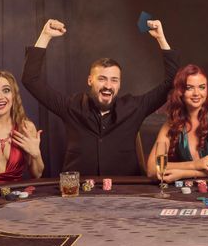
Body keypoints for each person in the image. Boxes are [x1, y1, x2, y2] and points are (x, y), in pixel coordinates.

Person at [22, 19, 180, 175]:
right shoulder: (71, 106)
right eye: (102, 79)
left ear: (119, 84)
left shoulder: (134, 107)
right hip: (78, 193)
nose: (108, 86)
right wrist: (45, 35)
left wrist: (161, 38)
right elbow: (31, 80)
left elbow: (172, 82)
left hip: (125, 193)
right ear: (90, 80)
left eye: (114, 80)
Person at [146, 64, 208, 182]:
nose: (197, 93)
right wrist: (195, 165)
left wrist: (182, 174)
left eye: (202, 87)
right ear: (180, 92)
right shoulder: (172, 123)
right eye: (189, 88)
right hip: (186, 192)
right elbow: (152, 169)